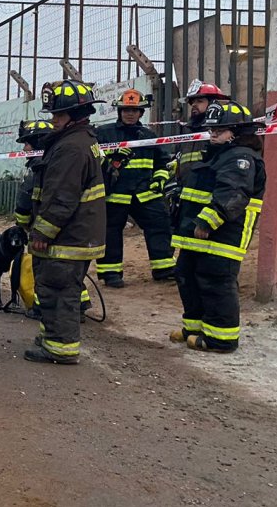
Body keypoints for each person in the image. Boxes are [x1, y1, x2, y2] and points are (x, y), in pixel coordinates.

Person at [170, 100, 265, 353]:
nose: (212, 134)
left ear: (236, 132)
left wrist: (208, 221)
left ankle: (221, 339)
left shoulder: (240, 158)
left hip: (223, 234)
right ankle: (195, 327)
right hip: (197, 234)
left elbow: (233, 193)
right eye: (211, 130)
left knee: (216, 281)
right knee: (187, 275)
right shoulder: (219, 153)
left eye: (218, 131)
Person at [24, 81, 106, 365]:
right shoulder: (80, 140)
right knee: (53, 286)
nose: (53, 120)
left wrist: (42, 232)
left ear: (76, 114)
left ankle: (61, 347)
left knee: (58, 288)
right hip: (77, 232)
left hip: (67, 235)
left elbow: (61, 197)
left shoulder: (71, 147)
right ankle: (52, 338)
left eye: (58, 115)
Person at [94, 89, 175, 287]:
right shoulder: (103, 133)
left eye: (135, 110)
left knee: (160, 224)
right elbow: (93, 158)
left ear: (141, 113)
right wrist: (111, 157)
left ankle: (163, 268)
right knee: (110, 232)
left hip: (145, 193)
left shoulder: (149, 135)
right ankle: (111, 273)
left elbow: (163, 162)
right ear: (120, 111)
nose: (130, 114)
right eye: (126, 110)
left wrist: (159, 179)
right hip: (115, 194)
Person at [12, 120, 54, 318]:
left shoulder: (39, 168)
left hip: (41, 229)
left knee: (43, 271)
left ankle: (40, 308)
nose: (25, 148)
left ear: (39, 143)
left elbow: (25, 201)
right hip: (57, 227)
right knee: (65, 272)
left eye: (28, 143)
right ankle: (78, 304)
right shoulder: (54, 163)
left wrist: (22, 224)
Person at [175, 80, 231, 183]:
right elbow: (178, 159)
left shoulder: (221, 130)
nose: (194, 105)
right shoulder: (187, 129)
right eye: (192, 102)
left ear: (214, 104)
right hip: (186, 190)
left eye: (199, 101)